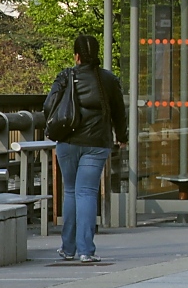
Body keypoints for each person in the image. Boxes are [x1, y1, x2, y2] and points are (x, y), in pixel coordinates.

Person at [45, 34, 127, 263]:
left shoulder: (65, 77)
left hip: (68, 143)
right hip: (96, 144)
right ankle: (85, 250)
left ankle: (67, 248)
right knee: (87, 193)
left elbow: (48, 106)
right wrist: (122, 137)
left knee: (70, 191)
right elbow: (120, 113)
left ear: (77, 56)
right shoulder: (108, 80)